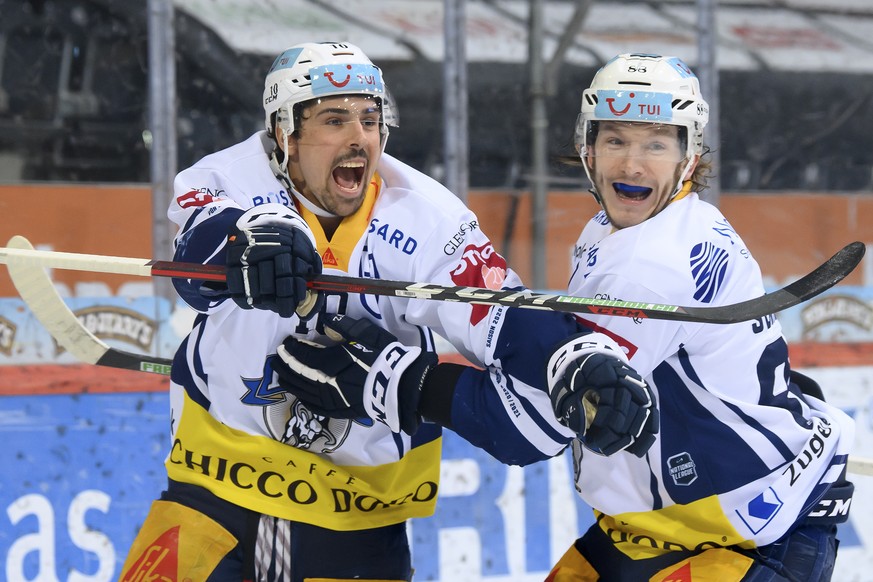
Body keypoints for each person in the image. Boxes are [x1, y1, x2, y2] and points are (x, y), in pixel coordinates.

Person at [280, 53, 857, 581]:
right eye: (616, 140)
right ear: (588, 148)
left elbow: (530, 428)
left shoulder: (648, 264)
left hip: (741, 538)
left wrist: (393, 381)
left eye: (656, 143)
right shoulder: (638, 225)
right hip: (666, 525)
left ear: (689, 156)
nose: (632, 162)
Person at [120, 41, 657, 581]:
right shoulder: (225, 178)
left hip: (355, 519)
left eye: (370, 119)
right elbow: (194, 266)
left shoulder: (429, 218)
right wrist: (247, 243)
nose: (359, 137)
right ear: (286, 133)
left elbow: (501, 314)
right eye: (335, 119)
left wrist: (574, 357)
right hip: (212, 494)